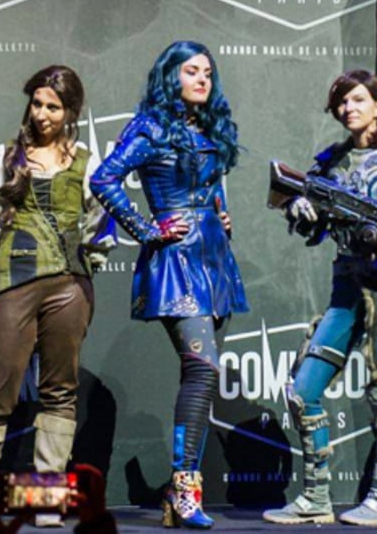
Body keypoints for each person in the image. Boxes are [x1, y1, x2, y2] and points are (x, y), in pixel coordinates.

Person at [263, 70, 377, 527]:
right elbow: (305, 216)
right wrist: (300, 209)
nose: (349, 108)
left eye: (359, 99)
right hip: (346, 288)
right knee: (303, 391)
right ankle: (316, 498)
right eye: (343, 102)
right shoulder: (331, 162)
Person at [90, 40, 245, 529]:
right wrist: (147, 229)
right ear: (171, 75)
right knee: (203, 370)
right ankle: (183, 490)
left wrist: (220, 210)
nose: (202, 79)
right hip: (176, 260)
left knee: (199, 375)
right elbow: (104, 179)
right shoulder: (150, 126)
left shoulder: (209, 126)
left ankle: (181, 495)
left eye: (207, 72)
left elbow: (213, 183)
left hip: (214, 256)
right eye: (192, 71)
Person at [0, 66, 116, 527]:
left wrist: (89, 259)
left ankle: (46, 499)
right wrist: (5, 260)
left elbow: (101, 222)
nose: (43, 114)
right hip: (14, 281)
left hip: (69, 285)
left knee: (59, 391)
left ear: (70, 112)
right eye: (37, 103)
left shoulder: (87, 161)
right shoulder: (6, 156)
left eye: (54, 106)